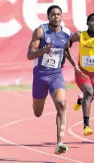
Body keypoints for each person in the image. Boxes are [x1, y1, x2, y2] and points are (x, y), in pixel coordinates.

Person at [27, 5, 72, 155]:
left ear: (61, 16)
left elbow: (65, 49)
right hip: (40, 76)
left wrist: (69, 63)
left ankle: (60, 142)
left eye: (58, 14)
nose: (56, 17)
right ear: (48, 17)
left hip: (56, 75)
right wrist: (43, 51)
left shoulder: (66, 33)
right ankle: (39, 100)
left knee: (61, 104)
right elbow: (30, 54)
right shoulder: (40, 31)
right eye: (53, 14)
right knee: (38, 112)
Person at [64, 13, 94, 136]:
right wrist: (67, 52)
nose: (94, 23)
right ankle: (86, 126)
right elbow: (68, 41)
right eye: (91, 20)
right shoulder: (81, 35)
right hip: (82, 72)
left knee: (90, 95)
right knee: (90, 92)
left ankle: (80, 101)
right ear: (87, 23)